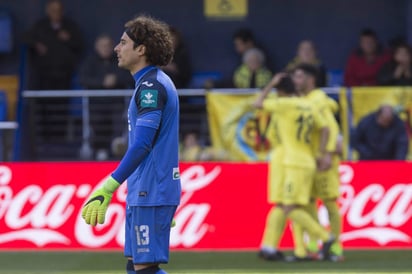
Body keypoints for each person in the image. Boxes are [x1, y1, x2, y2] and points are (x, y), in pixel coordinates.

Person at [82, 15, 181, 274]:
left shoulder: (151, 87)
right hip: (147, 189)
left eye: (123, 42)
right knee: (134, 266)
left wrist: (109, 185)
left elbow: (142, 145)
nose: (117, 47)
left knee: (144, 268)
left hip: (152, 189)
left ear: (141, 49)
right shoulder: (149, 83)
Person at [254, 73, 335, 262]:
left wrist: (271, 83)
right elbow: (325, 128)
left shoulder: (283, 105)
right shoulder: (309, 104)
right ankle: (270, 247)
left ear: (280, 91)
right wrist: (322, 153)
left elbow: (258, 104)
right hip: (305, 159)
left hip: (289, 161)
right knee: (283, 204)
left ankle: (323, 238)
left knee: (286, 206)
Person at [292, 64, 344, 261]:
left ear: (310, 80)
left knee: (329, 202)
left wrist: (328, 153)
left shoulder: (319, 100)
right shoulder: (302, 100)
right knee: (309, 202)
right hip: (307, 159)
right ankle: (314, 242)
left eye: (298, 77)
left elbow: (330, 127)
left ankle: (336, 244)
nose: (295, 81)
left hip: (323, 159)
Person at [80, 34, 134, 160]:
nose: (105, 48)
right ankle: (101, 151)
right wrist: (102, 82)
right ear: (96, 47)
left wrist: (116, 79)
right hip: (96, 104)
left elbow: (130, 77)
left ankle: (118, 149)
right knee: (97, 124)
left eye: (108, 46)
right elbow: (83, 79)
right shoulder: (90, 61)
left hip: (117, 103)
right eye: (102, 46)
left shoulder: (120, 60)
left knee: (119, 122)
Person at [26, 0, 83, 90]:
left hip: (64, 73)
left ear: (62, 11)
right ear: (47, 11)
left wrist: (69, 39)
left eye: (58, 10)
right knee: (44, 100)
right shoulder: (40, 26)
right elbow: (26, 38)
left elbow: (80, 44)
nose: (56, 13)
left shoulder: (70, 26)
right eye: (53, 10)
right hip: (43, 73)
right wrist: (37, 44)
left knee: (62, 100)